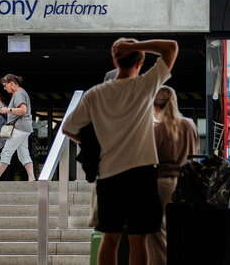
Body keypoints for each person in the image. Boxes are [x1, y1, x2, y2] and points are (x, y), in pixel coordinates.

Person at [61, 38, 178, 265]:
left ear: (115, 60)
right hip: (141, 173)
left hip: (108, 174)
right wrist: (135, 47)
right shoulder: (145, 85)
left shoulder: (96, 94)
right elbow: (171, 47)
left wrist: (94, 143)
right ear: (140, 61)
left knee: (110, 238)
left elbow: (68, 128)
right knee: (139, 240)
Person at [145, 86, 199, 265]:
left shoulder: (154, 128)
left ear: (154, 105)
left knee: (155, 229)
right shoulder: (189, 124)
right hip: (187, 183)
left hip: (161, 182)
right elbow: (194, 153)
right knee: (182, 229)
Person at [0, 74, 34, 181]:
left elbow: (23, 110)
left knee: (6, 152)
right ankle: (32, 178)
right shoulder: (21, 92)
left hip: (19, 128)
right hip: (24, 128)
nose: (5, 88)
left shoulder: (18, 94)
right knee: (23, 154)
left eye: (5, 85)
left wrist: (7, 110)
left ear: (12, 83)